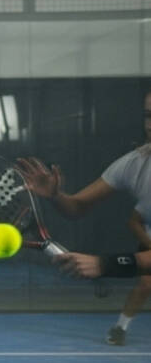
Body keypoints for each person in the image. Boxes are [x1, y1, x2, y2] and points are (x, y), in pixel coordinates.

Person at [16, 89, 151, 346]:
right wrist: (56, 195)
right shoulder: (134, 164)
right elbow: (77, 207)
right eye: (148, 115)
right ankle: (120, 328)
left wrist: (104, 264)